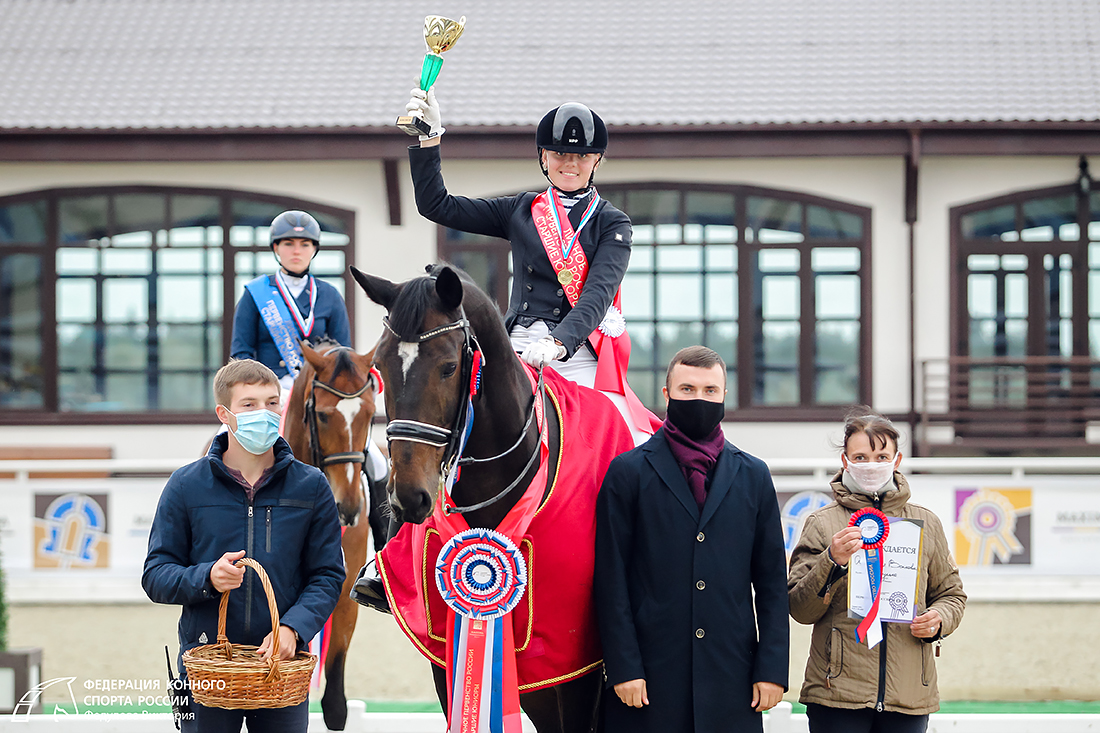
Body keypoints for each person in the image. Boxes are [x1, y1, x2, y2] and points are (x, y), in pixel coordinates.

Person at [403, 88, 657, 443]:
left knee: (626, 437)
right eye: (559, 154)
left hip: (575, 354)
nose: (570, 164)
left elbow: (597, 296)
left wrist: (558, 342)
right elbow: (437, 206)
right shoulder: (520, 210)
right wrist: (429, 139)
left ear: (597, 161)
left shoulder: (612, 223)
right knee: (457, 425)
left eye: (582, 156)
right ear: (543, 156)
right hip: (516, 346)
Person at [142, 359, 345, 732]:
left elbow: (328, 575)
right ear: (224, 414)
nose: (264, 413)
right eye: (249, 404)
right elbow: (155, 575)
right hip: (206, 666)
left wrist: (293, 629)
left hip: (282, 668)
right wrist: (207, 577)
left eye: (271, 403)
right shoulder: (185, 485)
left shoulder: (312, 486)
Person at [594, 346, 789, 732]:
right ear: (667, 394)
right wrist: (624, 666)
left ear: (724, 396)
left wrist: (771, 669)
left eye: (710, 390)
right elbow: (610, 579)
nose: (699, 399)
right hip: (648, 682)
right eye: (687, 389)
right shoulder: (627, 472)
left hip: (733, 680)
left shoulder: (754, 475)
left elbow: (771, 584)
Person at [787, 409, 967, 733]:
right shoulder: (822, 523)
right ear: (845, 461)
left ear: (897, 460)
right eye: (861, 457)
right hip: (836, 693)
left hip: (909, 694)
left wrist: (939, 619)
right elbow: (800, 609)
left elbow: (951, 594)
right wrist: (832, 560)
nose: (871, 465)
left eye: (881, 456)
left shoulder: (926, 523)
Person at [229, 209, 387, 478]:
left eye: (304, 244)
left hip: (320, 393)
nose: (296, 251)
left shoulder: (329, 296)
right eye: (288, 243)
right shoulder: (255, 294)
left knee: (376, 461)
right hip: (268, 394)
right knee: (223, 444)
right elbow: (240, 354)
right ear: (276, 248)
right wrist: (261, 390)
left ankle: (377, 505)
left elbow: (343, 355)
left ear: (314, 249)